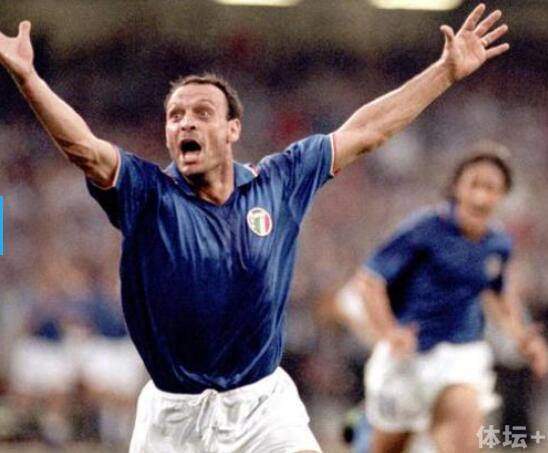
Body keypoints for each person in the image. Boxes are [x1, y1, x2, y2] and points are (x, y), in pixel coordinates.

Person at [0, 4, 511, 452]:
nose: (185, 123)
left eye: (202, 112)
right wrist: (29, 79)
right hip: (173, 416)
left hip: (262, 405)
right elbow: (85, 149)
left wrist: (444, 73)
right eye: (175, 116)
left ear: (232, 129)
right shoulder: (146, 193)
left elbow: (366, 131)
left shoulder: (280, 181)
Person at [336, 144, 548, 453]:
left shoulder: (498, 244)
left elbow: (498, 293)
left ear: (503, 195)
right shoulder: (424, 228)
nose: (481, 197)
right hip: (409, 355)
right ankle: (366, 421)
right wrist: (389, 331)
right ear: (456, 187)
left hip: (462, 354)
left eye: (491, 188)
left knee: (464, 437)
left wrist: (522, 337)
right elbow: (370, 280)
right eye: (475, 184)